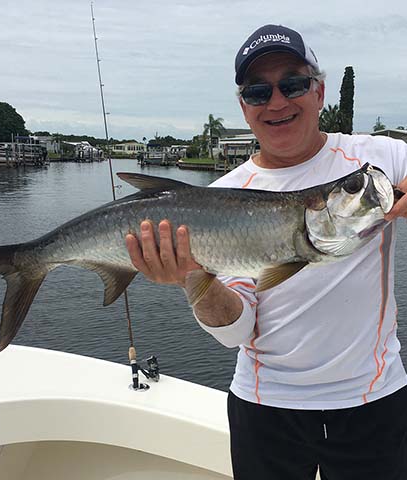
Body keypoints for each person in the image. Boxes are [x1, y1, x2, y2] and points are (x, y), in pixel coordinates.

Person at [125, 24, 407, 480]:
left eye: (293, 84)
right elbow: (237, 330)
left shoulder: (376, 160)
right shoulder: (221, 198)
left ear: (319, 91)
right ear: (243, 105)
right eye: (258, 92)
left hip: (374, 401)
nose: (277, 102)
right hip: (266, 407)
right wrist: (192, 280)